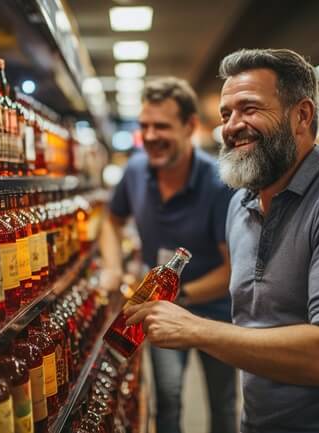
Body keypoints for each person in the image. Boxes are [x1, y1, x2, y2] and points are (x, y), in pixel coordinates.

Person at [125, 48, 319, 433]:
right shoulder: (240, 203)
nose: (232, 125)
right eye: (227, 114)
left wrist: (197, 329)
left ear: (301, 116)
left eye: (250, 109)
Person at [99, 77, 237, 433]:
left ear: (190, 126)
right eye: (144, 125)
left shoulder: (219, 182)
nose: (151, 135)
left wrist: (176, 297)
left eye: (162, 126)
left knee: (222, 406)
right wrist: (112, 268)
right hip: (158, 313)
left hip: (215, 315)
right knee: (168, 398)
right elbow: (110, 221)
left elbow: (231, 268)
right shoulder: (135, 171)